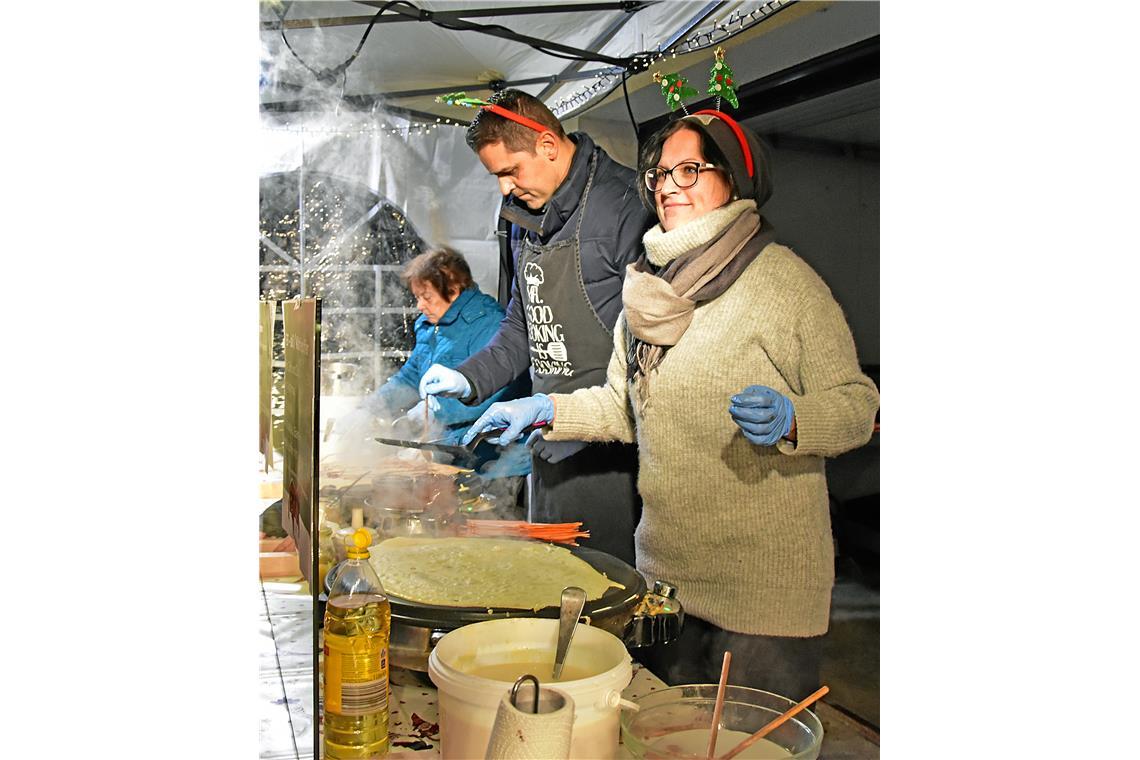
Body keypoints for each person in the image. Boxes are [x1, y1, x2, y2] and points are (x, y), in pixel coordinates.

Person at [460, 111, 879, 698]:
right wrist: (546, 410)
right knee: (665, 730)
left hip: (761, 589)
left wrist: (795, 420)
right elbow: (622, 405)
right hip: (665, 581)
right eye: (660, 173)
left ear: (731, 179)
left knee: (754, 735)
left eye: (689, 170)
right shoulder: (647, 290)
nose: (667, 186)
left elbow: (858, 406)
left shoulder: (785, 284)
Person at [415, 89, 655, 565]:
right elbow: (521, 326)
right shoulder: (524, 216)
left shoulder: (626, 206)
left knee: (605, 585)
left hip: (613, 457)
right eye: (496, 177)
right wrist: (467, 378)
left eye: (510, 171)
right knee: (549, 579)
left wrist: (573, 420)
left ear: (547, 145)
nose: (505, 189)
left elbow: (651, 355)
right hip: (546, 446)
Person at [357, 246, 530, 490]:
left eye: (426, 297)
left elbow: (494, 392)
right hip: (452, 454)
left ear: (454, 287)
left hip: (494, 460)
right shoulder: (430, 325)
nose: (420, 305)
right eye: (417, 297)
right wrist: (370, 408)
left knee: (490, 511)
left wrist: (435, 411)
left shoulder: (488, 322)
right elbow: (409, 378)